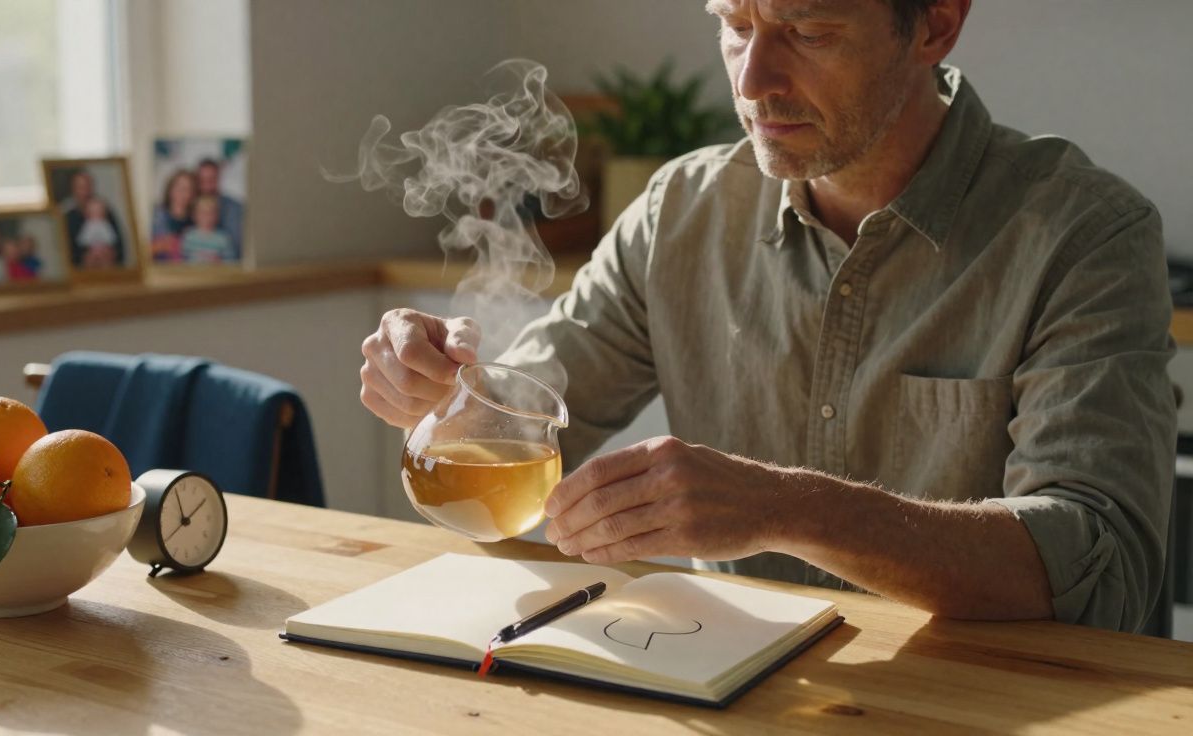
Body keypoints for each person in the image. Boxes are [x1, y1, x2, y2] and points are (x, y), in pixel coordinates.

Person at [358, 0, 1176, 633]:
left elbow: (1098, 573)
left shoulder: (1084, 233)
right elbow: (530, 424)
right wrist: (440, 386)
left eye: (807, 30)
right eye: (734, 23)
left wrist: (785, 508)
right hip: (733, 689)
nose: (752, 81)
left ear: (936, 25)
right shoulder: (681, 210)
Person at [61, 169, 126, 268]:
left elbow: (118, 244)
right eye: (81, 188)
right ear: (74, 190)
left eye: (88, 187)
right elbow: (68, 251)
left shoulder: (107, 212)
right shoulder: (69, 217)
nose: (85, 192)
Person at [196, 158, 244, 260]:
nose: (207, 187)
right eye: (202, 181)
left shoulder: (235, 209)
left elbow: (238, 250)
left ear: (219, 178)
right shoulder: (191, 205)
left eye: (212, 180)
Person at [152, 169, 197, 262]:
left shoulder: (198, 221)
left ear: (193, 194)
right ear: (170, 189)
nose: (182, 192)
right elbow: (138, 251)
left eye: (187, 189)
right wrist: (160, 246)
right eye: (179, 187)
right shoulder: (155, 215)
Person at [180, 195, 233, 263]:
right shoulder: (188, 236)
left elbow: (231, 261)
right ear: (194, 215)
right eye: (202, 213)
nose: (206, 216)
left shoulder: (223, 238)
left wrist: (220, 261)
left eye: (210, 213)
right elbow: (181, 260)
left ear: (217, 216)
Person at [76, 197, 120, 270]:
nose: (96, 214)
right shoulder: (87, 226)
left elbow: (111, 239)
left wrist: (105, 247)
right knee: (89, 259)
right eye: (93, 212)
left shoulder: (105, 225)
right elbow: (83, 240)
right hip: (91, 250)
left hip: (105, 250)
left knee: (106, 260)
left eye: (98, 212)